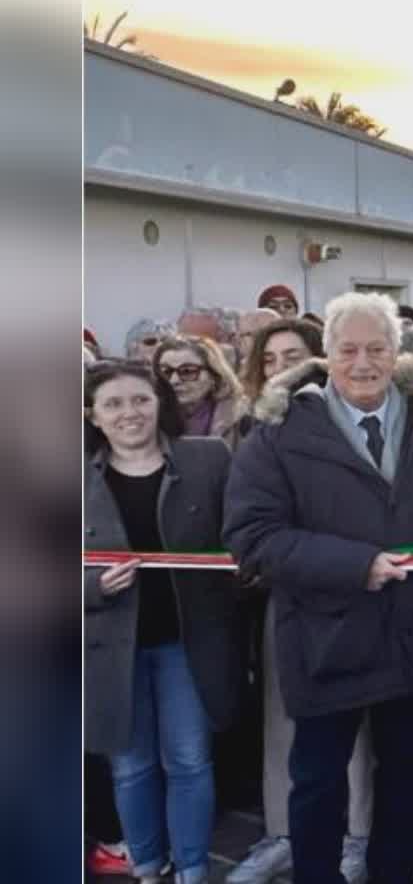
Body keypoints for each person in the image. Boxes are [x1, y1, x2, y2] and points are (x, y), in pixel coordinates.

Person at [224, 292, 413, 884]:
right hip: (324, 635)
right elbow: (251, 536)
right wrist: (356, 565)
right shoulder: (280, 430)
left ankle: (392, 872)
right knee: (318, 782)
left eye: (376, 348)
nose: (363, 363)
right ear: (327, 354)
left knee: (406, 776)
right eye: (348, 350)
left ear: (396, 351)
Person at [85, 361, 244, 884]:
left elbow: (241, 535)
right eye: (113, 404)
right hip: (110, 647)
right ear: (93, 415)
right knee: (131, 767)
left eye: (140, 400)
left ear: (159, 404)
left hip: (189, 641)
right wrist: (92, 587)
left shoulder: (207, 458)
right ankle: (148, 868)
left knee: (190, 761)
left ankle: (192, 869)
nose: (129, 413)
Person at [152, 334, 245, 443]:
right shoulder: (148, 417)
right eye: (165, 372)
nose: (174, 381)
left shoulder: (243, 420)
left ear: (214, 376)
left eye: (187, 371)